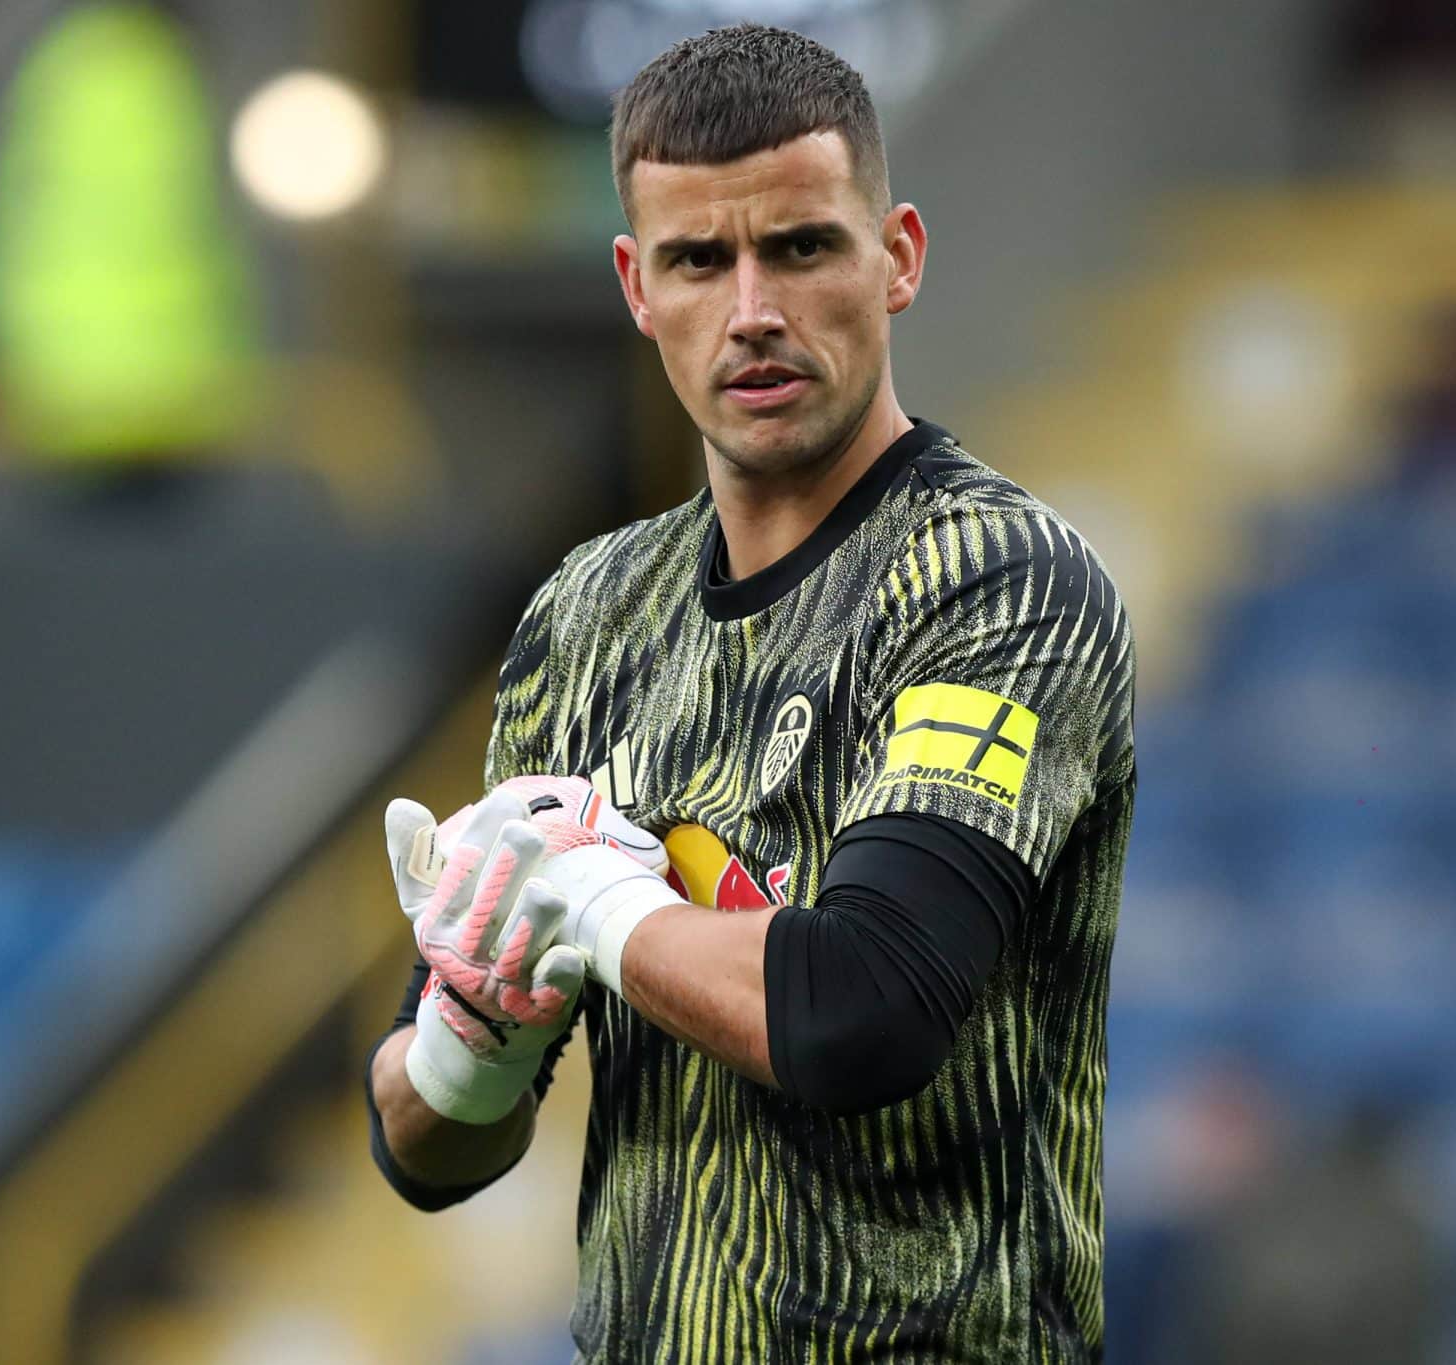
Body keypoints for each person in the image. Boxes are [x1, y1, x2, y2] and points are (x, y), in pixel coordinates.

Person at [364, 23, 1135, 1363]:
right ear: (634, 286)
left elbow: (862, 1008)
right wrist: (473, 1029)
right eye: (698, 261)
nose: (752, 311)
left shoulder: (999, 581)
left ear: (897, 256)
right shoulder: (585, 619)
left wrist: (596, 901)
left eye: (799, 247)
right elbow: (424, 1151)